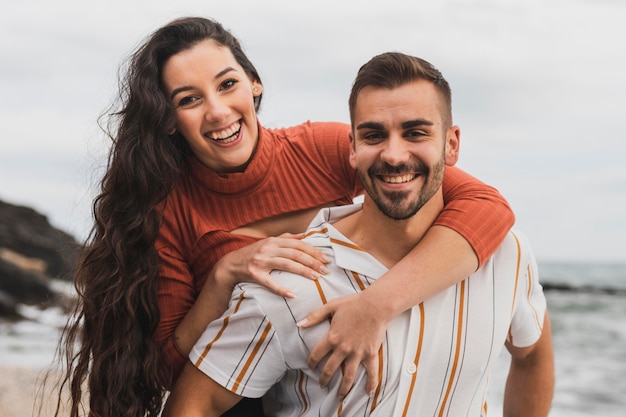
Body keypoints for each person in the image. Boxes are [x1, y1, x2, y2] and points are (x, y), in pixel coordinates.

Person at [54, 18, 516, 417]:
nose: (218, 111)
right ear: (169, 118)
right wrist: (221, 276)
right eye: (189, 99)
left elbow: (486, 207)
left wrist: (375, 307)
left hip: (332, 377)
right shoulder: (168, 212)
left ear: (254, 83)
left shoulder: (322, 148)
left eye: (227, 84)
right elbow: (168, 371)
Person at [162, 52, 554, 417]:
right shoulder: (288, 283)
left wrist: (375, 304)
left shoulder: (508, 254)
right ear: (350, 148)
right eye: (373, 136)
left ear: (451, 145)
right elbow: (192, 403)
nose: (394, 155)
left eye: (415, 133)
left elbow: (532, 356)